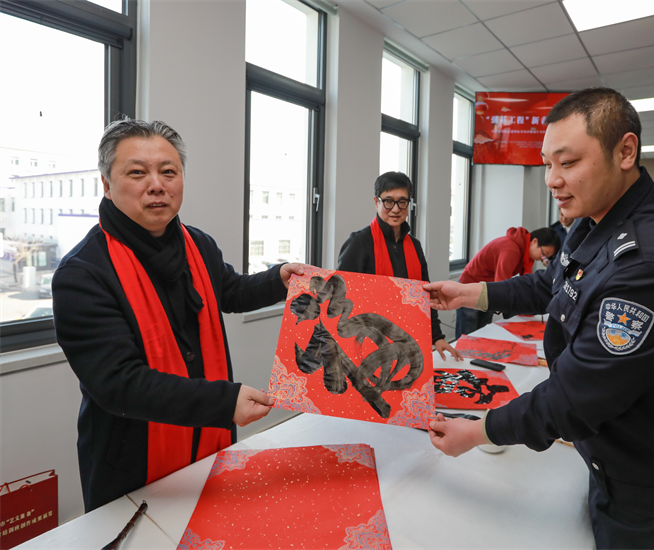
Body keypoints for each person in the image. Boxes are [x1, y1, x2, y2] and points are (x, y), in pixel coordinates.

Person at [425, 88, 654, 550]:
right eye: (546, 164)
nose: (552, 180)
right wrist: (470, 293)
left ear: (626, 152)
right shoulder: (595, 220)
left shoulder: (651, 263)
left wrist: (477, 431)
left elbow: (576, 397)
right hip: (619, 462)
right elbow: (551, 284)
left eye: (568, 162)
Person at [52, 119, 307, 512]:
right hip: (132, 464)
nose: (157, 185)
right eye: (137, 173)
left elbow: (229, 290)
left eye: (168, 172)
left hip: (208, 444)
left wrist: (278, 280)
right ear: (106, 183)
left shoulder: (197, 244)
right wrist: (224, 402)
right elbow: (119, 383)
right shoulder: (82, 273)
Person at [337, 171, 462, 362]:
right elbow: (342, 299)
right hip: (368, 345)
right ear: (376, 202)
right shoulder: (358, 243)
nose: (395, 209)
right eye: (388, 201)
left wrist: (437, 337)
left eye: (402, 201)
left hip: (411, 340)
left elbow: (425, 295)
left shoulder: (415, 246)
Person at [455, 226, 559, 338]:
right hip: (471, 285)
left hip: (487, 288)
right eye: (544, 253)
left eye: (547, 257)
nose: (543, 258)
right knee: (467, 334)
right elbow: (502, 283)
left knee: (482, 333)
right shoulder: (511, 249)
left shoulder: (524, 254)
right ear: (534, 241)